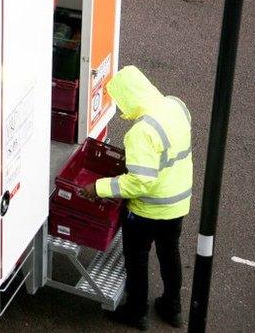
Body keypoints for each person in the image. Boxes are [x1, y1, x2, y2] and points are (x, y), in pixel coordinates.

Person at [81, 66, 192, 330]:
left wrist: (99, 187)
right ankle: (172, 307)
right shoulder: (176, 105)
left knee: (137, 259)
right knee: (169, 254)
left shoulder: (141, 132)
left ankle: (136, 311)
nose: (120, 107)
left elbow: (140, 182)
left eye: (120, 101)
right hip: (177, 203)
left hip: (148, 210)